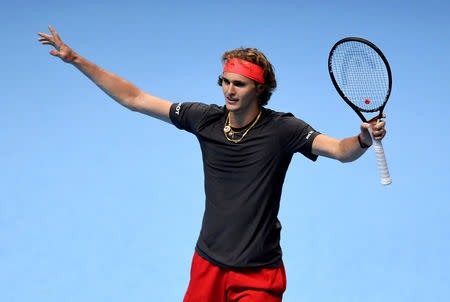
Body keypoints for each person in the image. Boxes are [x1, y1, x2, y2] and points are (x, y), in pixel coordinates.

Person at [38, 26, 387, 302]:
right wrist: (76, 60)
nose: (229, 90)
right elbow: (135, 98)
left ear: (259, 90)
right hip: (208, 264)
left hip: (258, 274)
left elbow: (340, 151)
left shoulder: (283, 129)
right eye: (225, 81)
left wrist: (363, 140)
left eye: (239, 84)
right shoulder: (204, 119)